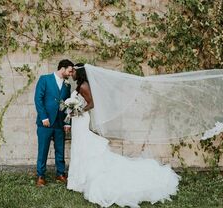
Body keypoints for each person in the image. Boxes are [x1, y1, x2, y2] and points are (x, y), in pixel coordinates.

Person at [67, 63, 180, 207]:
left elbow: (92, 103)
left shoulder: (83, 86)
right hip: (78, 121)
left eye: (74, 71)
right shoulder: (81, 85)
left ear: (80, 72)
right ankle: (78, 180)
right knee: (79, 147)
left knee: (84, 147)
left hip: (81, 120)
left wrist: (78, 110)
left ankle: (82, 179)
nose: (72, 73)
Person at [34, 59, 74, 187]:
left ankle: (60, 173)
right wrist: (44, 117)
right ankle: (40, 176)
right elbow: (38, 99)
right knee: (43, 149)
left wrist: (67, 122)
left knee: (60, 149)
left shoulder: (67, 85)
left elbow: (69, 104)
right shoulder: (44, 79)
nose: (71, 73)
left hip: (60, 123)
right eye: (70, 70)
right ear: (62, 68)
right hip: (45, 123)